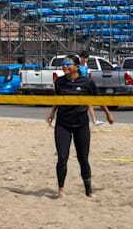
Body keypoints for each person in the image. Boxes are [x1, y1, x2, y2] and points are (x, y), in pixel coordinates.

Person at [46, 55, 114, 199]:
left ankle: (88, 190)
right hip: (63, 124)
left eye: (67, 64)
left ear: (76, 67)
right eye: (63, 64)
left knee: (83, 158)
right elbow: (58, 100)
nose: (64, 67)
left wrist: (108, 114)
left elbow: (98, 99)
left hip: (81, 125)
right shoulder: (59, 82)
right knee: (62, 158)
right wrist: (52, 113)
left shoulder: (87, 82)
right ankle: (60, 190)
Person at [78, 51, 103, 127]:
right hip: (79, 87)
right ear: (81, 58)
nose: (86, 59)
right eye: (84, 58)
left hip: (85, 87)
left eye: (87, 58)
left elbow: (87, 76)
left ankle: (94, 120)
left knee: (89, 104)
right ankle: (93, 120)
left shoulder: (85, 66)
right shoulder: (78, 67)